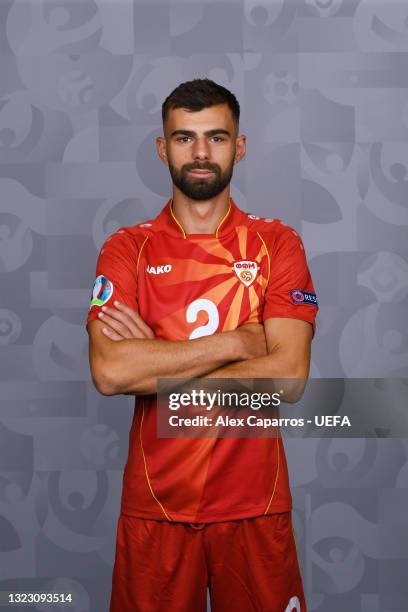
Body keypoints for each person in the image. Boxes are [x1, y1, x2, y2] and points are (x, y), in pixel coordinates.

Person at [86, 79, 318, 612]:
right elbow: (110, 373)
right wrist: (237, 342)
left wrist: (157, 365)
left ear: (238, 147)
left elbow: (288, 377)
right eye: (184, 138)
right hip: (156, 502)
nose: (200, 153)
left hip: (254, 503)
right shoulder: (127, 248)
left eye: (215, 137)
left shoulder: (277, 244)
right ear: (162, 148)